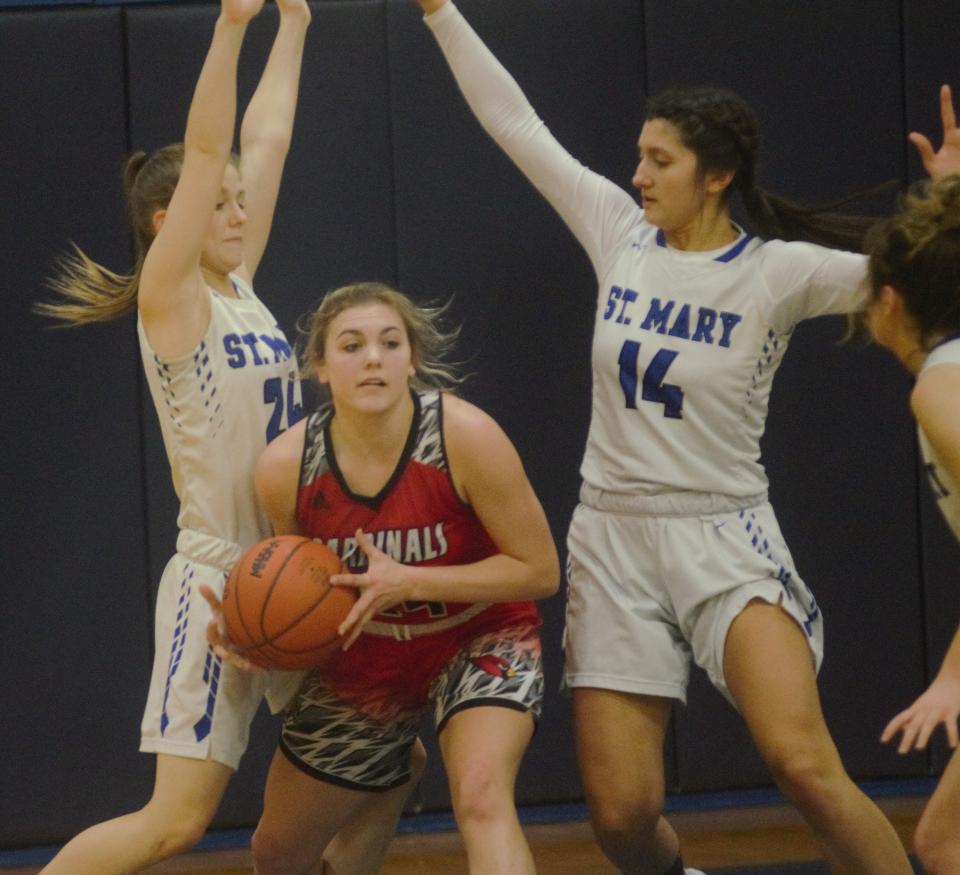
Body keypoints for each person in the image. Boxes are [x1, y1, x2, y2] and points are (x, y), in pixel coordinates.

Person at [411, 3, 960, 873]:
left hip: (724, 533)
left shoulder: (775, 273)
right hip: (613, 538)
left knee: (804, 765)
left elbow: (921, 283)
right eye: (637, 155)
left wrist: (950, 199)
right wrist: (440, 11)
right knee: (623, 817)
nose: (637, 174)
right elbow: (515, 122)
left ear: (716, 175)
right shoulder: (618, 233)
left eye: (659, 160)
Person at [32, 0, 338, 870]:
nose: (238, 212)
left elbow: (263, 141)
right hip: (219, 581)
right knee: (174, 823)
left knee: (382, 765)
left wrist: (298, 26)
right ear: (167, 221)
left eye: (241, 204)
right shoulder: (175, 300)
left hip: (290, 570)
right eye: (220, 204)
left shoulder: (239, 285)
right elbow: (209, 151)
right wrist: (231, 27)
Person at [208, 280, 560, 875]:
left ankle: (401, 761)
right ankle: (398, 762)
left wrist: (414, 582)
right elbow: (300, 591)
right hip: (364, 658)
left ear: (411, 359)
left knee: (480, 795)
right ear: (320, 366)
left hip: (478, 636)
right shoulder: (285, 468)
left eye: (389, 343)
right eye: (351, 345)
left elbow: (540, 571)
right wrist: (255, 637)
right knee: (277, 853)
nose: (372, 357)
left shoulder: (466, 436)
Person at [865, 90, 960, 875]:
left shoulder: (936, 385)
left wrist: (954, 674)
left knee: (943, 841)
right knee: (941, 840)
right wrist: (948, 192)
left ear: (889, 304)